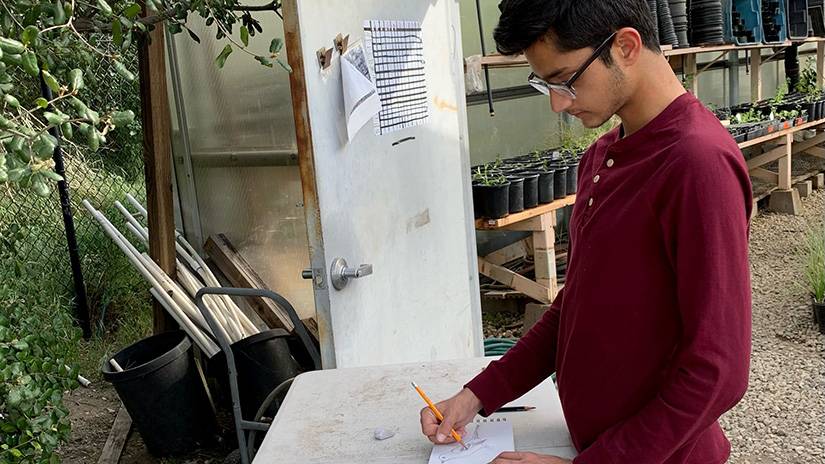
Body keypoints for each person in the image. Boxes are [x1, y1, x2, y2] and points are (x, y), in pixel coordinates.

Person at [420, 1, 753, 462]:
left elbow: (718, 371)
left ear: (626, 45)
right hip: (592, 443)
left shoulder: (697, 164)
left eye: (565, 80)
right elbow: (573, 307)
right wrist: (477, 396)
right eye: (546, 84)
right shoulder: (600, 158)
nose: (558, 102)